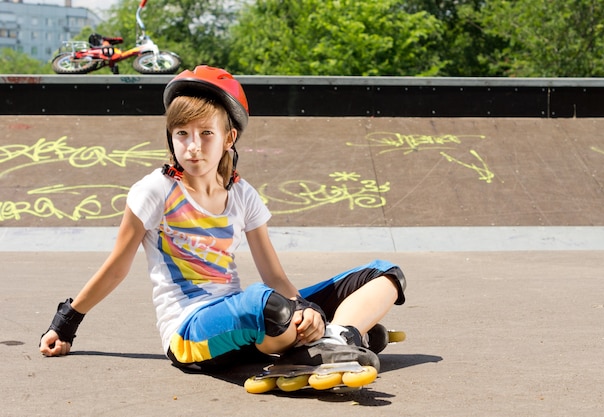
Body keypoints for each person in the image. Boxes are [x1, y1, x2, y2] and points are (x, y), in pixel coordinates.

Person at [39, 66, 406, 377]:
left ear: (228, 138)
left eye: (205, 134)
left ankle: (336, 337)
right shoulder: (154, 191)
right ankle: (322, 337)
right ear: (171, 137)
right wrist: (67, 322)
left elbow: (274, 275)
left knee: (383, 273)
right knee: (268, 305)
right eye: (182, 134)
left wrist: (306, 309)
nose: (192, 147)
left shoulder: (243, 194)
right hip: (189, 331)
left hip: (245, 314)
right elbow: (117, 267)